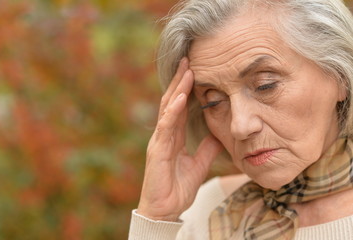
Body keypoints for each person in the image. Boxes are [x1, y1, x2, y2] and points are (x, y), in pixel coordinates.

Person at [129, 0, 353, 239]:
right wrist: (157, 219)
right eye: (213, 101)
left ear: (339, 75)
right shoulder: (206, 209)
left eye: (265, 85)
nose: (239, 126)